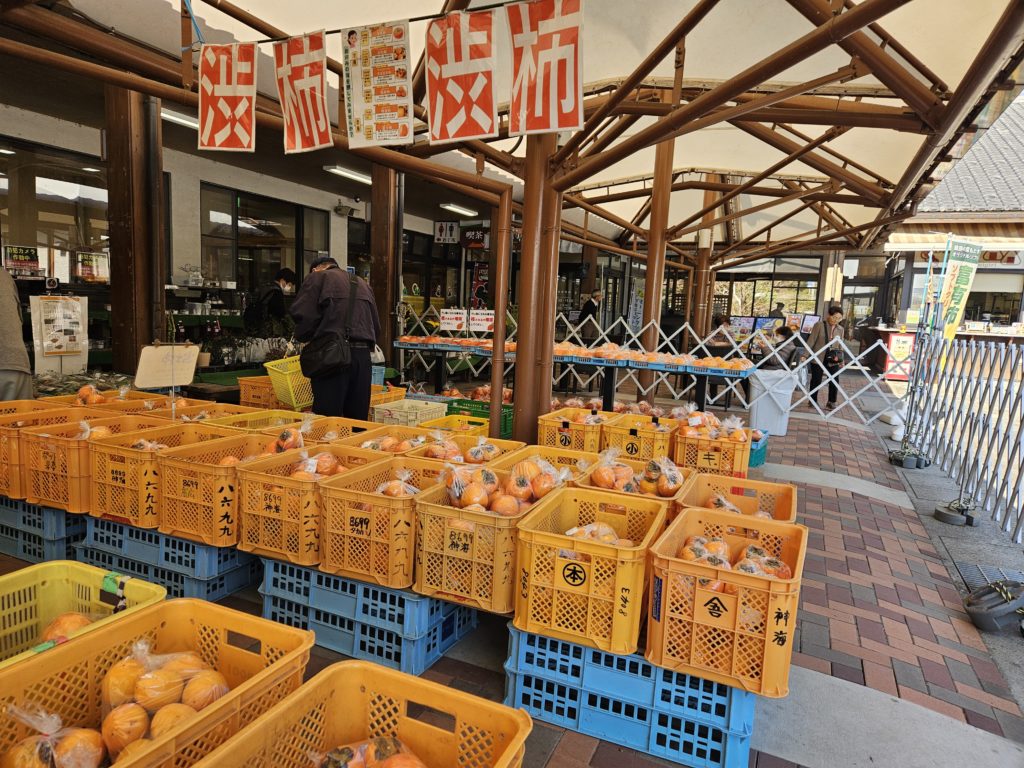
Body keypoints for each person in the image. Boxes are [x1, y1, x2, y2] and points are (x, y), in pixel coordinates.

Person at [290, 258, 381, 419]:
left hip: (331, 355)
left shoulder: (318, 277)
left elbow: (304, 317)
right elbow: (376, 326)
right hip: (362, 358)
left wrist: (305, 337)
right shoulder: (363, 284)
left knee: (327, 419)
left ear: (316, 269)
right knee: (357, 420)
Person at [0, 267, 31, 400]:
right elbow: (18, 319)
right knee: (19, 413)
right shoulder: (5, 276)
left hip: (10, 362)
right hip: (16, 363)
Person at [807, 306, 845, 410]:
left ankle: (831, 401)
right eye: (835, 317)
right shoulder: (819, 325)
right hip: (819, 356)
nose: (836, 320)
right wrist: (805, 355)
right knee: (816, 379)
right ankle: (812, 400)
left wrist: (841, 359)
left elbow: (840, 345)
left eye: (839, 318)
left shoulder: (840, 329)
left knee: (834, 379)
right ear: (829, 315)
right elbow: (811, 340)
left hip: (833, 357)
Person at [245, 268, 296, 337]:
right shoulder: (277, 292)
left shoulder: (265, 287)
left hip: (254, 325)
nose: (290, 288)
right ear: (282, 281)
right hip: (267, 329)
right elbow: (281, 313)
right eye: (289, 285)